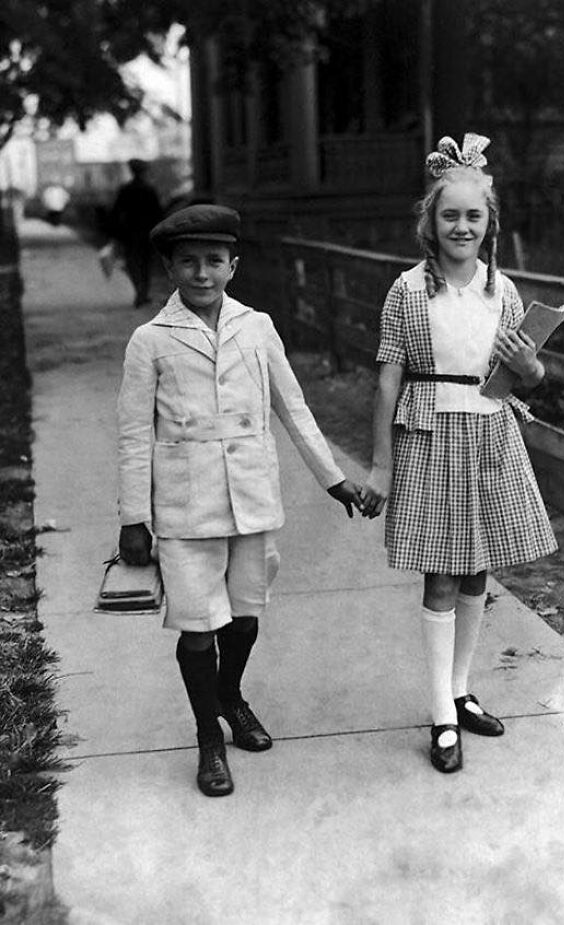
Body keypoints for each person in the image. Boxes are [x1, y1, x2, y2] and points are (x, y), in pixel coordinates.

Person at [116, 204, 362, 797]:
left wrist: (333, 478)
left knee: (245, 614)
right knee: (198, 625)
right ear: (171, 268)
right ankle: (208, 737)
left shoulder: (257, 326)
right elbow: (132, 435)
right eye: (188, 262)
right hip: (185, 506)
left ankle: (231, 696)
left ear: (234, 264)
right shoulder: (150, 340)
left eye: (214, 261)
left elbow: (293, 406)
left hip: (251, 497)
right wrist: (134, 519)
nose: (202, 273)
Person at [360, 133, 557, 774]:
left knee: (478, 572)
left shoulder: (503, 291)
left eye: (474, 216)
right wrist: (382, 463)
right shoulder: (409, 290)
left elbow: (531, 375)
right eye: (450, 215)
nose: (462, 226)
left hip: (489, 436)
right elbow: (388, 377)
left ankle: (461, 688)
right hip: (429, 436)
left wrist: (531, 367)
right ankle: (442, 712)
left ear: (489, 223)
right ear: (431, 221)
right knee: (440, 575)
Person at [110, 159, 163, 307]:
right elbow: (158, 213)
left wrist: (116, 233)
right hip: (147, 233)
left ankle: (138, 291)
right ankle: (143, 294)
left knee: (132, 263)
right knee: (146, 264)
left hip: (129, 233)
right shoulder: (149, 189)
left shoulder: (125, 189)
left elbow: (116, 212)